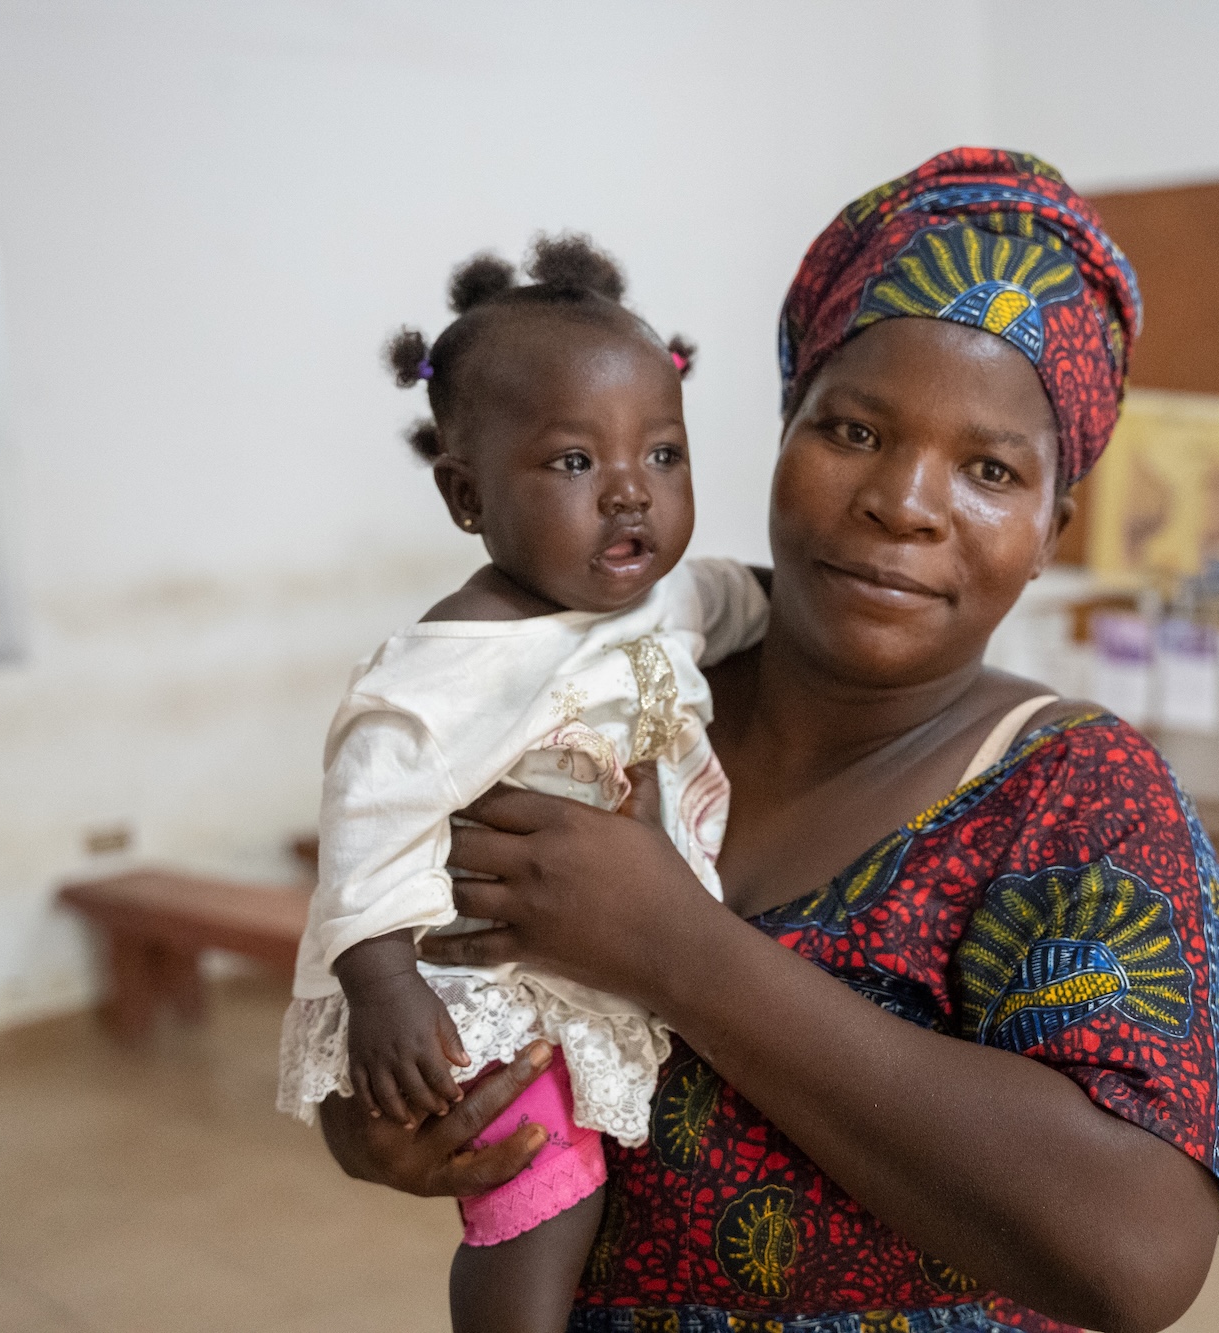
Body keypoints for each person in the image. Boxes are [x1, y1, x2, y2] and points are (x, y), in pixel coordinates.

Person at [319, 148, 1219, 1333]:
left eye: (989, 468)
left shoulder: (1074, 796)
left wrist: (680, 953)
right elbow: (404, 972)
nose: (904, 501)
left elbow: (1136, 1253)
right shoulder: (598, 690)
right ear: (782, 429)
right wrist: (391, 1129)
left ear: (1050, 525)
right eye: (852, 431)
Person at [277, 234, 768, 1333]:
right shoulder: (444, 665)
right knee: (536, 1193)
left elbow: (766, 606)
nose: (631, 496)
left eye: (663, 455)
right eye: (574, 463)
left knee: (587, 1191)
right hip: (492, 983)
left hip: (614, 949)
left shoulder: (672, 599)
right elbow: (368, 824)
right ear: (466, 494)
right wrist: (380, 988)